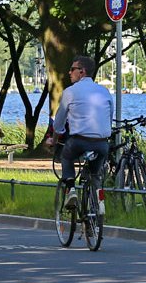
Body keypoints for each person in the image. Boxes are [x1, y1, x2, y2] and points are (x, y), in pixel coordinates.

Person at [46, 56, 113, 209]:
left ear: (82, 72)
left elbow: (59, 123)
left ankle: (71, 190)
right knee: (95, 174)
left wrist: (54, 140)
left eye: (72, 69)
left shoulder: (70, 92)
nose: (69, 73)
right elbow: (109, 118)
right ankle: (98, 204)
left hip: (79, 142)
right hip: (102, 144)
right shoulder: (104, 92)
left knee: (66, 157)